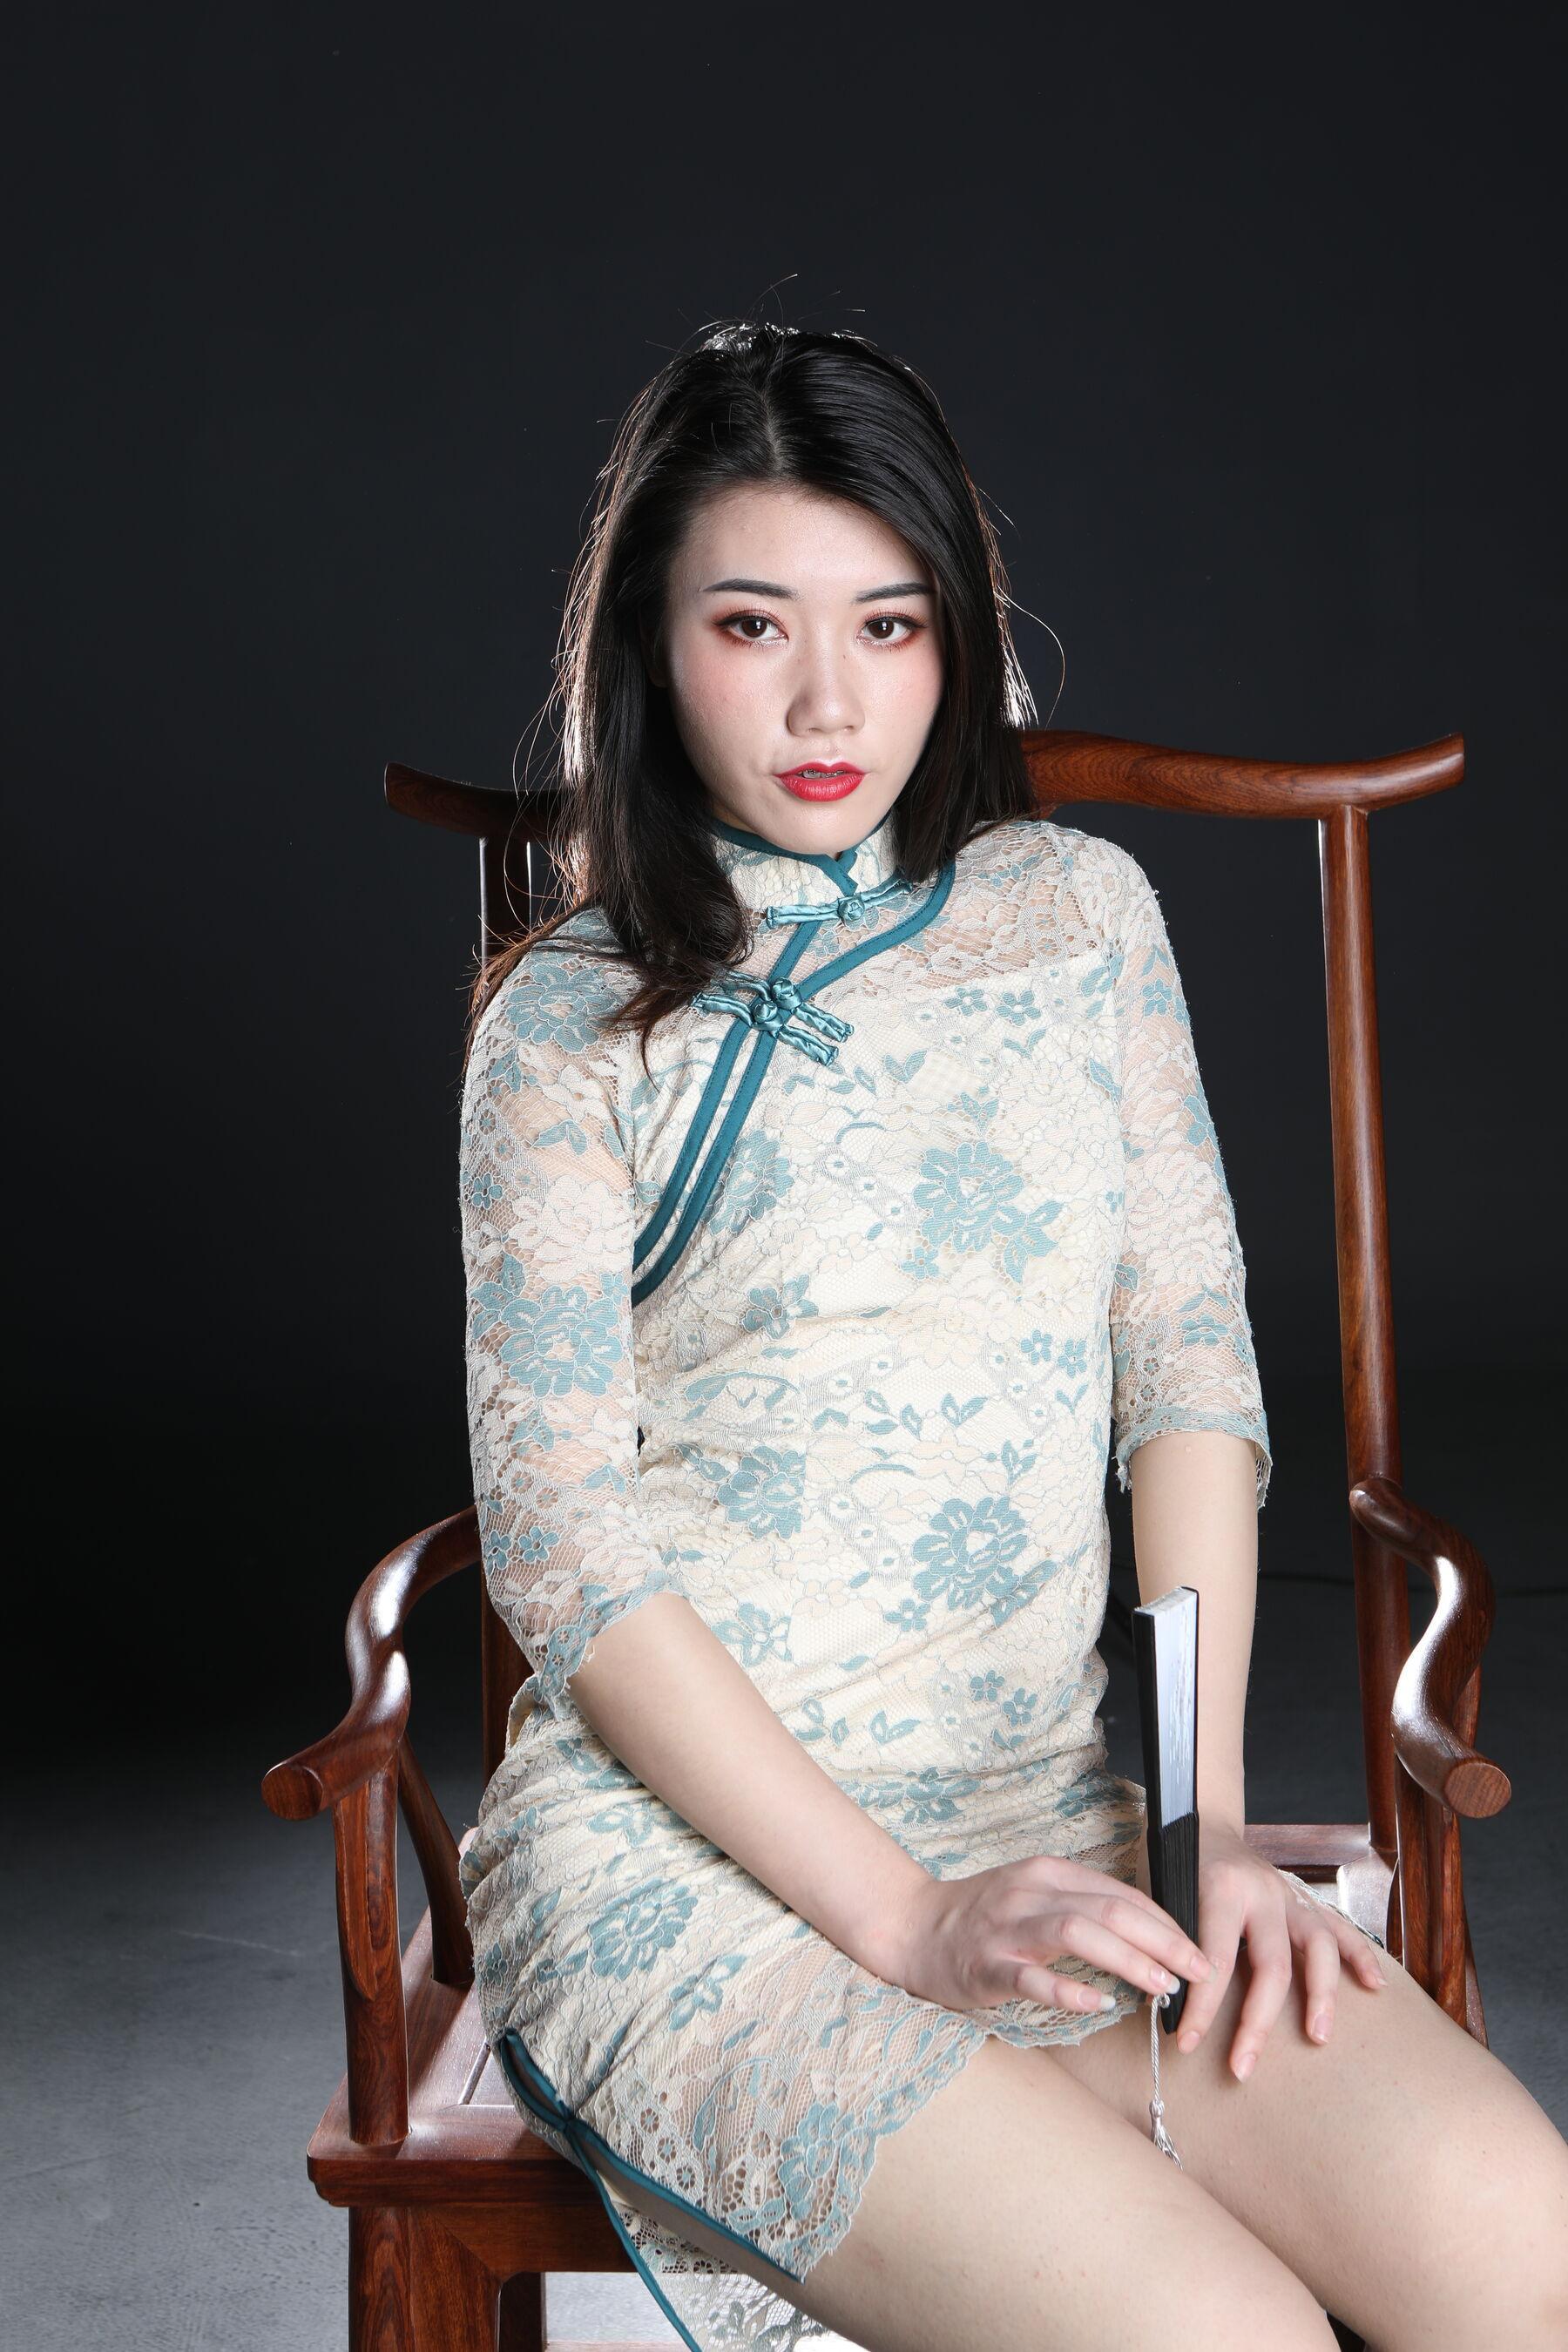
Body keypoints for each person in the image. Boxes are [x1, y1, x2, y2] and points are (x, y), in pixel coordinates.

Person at [455, 320, 1568, 2352]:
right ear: (649, 645)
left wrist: (1200, 1831)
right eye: (751, 625)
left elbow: (1189, 1377)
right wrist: (904, 1916)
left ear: (955, 637)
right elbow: (565, 1552)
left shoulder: (1083, 918)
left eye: (888, 625)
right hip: (694, 1870)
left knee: (1532, 2255)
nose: (828, 702)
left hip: (1052, 1813)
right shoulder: (568, 1017)